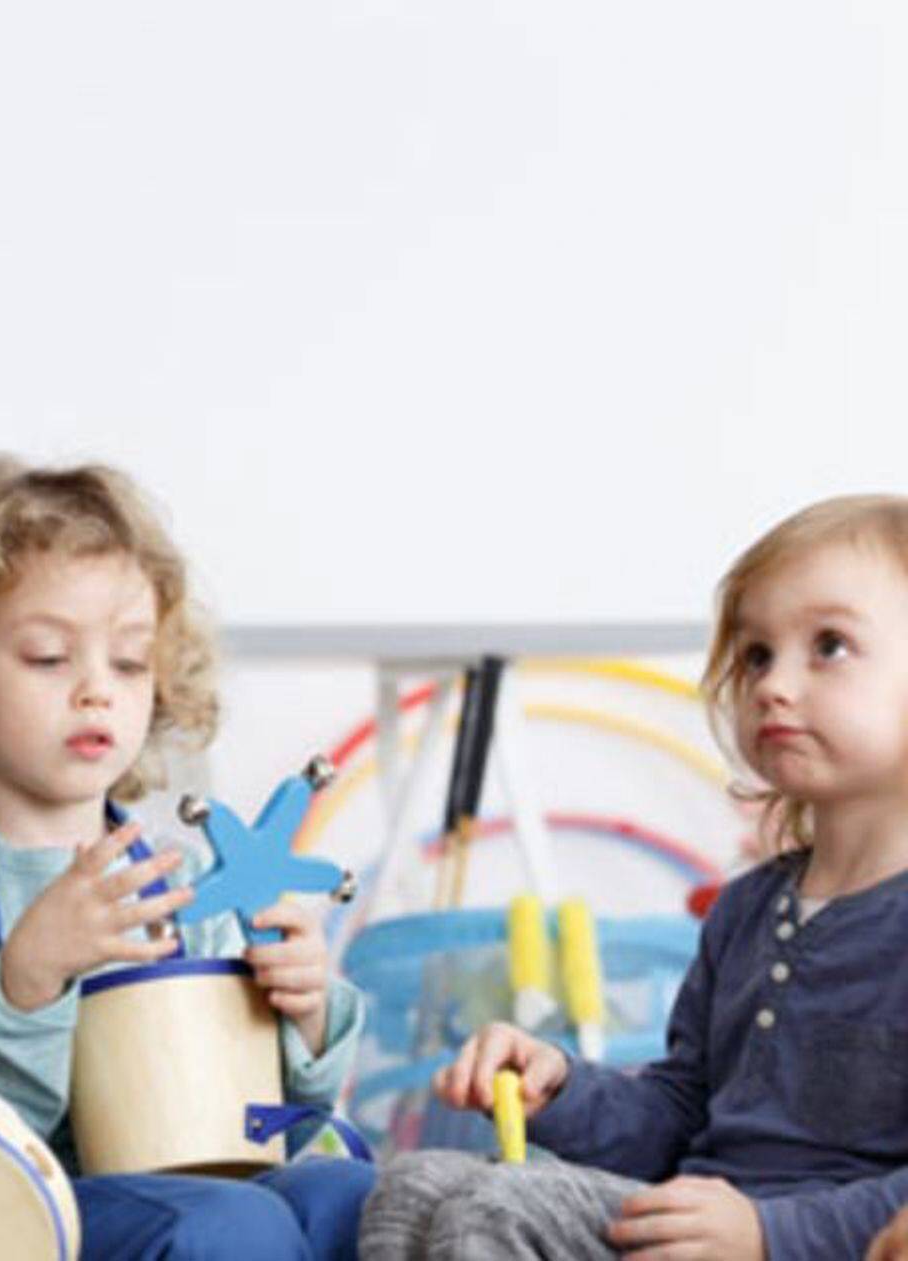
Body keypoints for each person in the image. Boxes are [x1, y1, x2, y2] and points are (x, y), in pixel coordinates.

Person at [359, 494, 908, 1261]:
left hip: (813, 1242)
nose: (774, 683)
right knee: (411, 1184)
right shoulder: (749, 908)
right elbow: (678, 1114)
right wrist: (562, 1088)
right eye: (755, 653)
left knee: (500, 1207)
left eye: (830, 645)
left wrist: (769, 1233)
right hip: (691, 1218)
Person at [0, 453, 374, 1260]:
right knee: (227, 1223)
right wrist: (28, 979)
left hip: (209, 1183)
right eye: (47, 656)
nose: (97, 689)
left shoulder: (180, 876)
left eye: (130, 662)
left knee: (348, 1195)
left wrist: (304, 1012)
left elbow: (268, 1112)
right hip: (34, 1214)